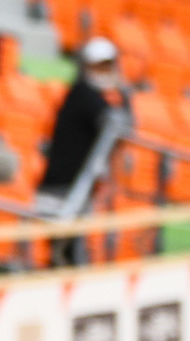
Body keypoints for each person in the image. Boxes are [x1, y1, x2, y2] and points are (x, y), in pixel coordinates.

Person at [38, 37, 130, 213]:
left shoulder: (85, 95)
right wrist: (124, 94)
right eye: (98, 66)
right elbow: (115, 121)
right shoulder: (82, 94)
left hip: (76, 187)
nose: (104, 72)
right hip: (63, 187)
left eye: (107, 66)